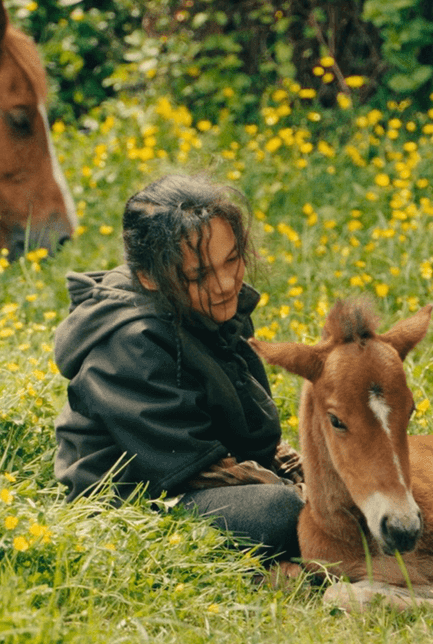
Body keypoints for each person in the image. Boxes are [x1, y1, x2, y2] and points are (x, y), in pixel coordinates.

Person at [52, 174, 304, 561]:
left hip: (200, 479)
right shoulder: (132, 342)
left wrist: (310, 472)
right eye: (199, 274)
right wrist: (308, 498)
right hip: (138, 506)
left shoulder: (210, 306)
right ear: (149, 277)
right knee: (283, 512)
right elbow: (192, 467)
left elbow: (251, 436)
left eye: (232, 259)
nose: (226, 283)